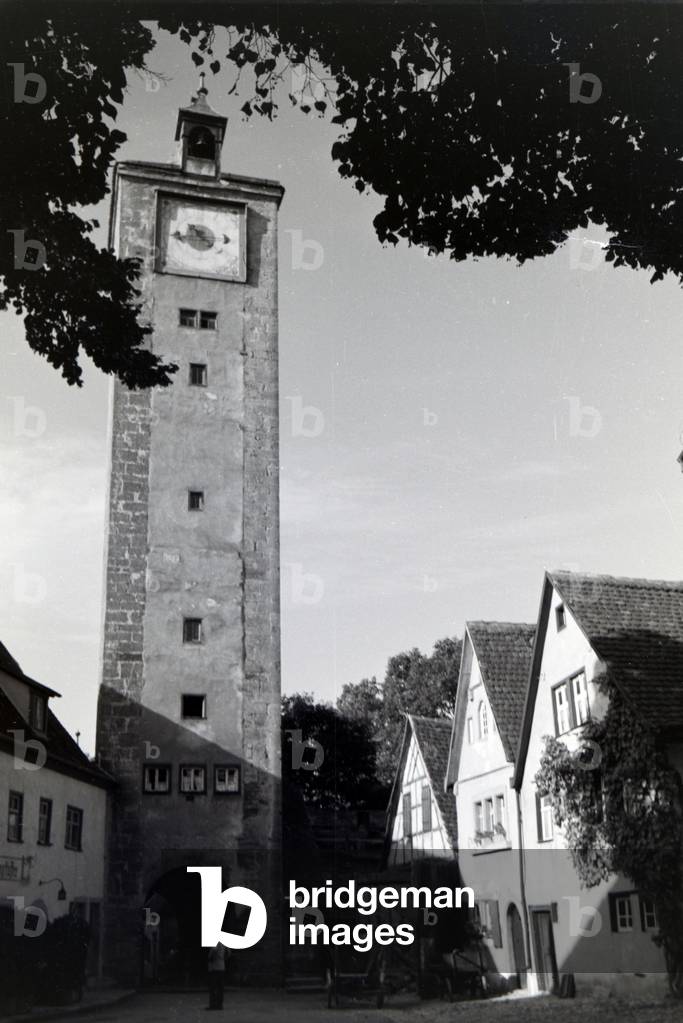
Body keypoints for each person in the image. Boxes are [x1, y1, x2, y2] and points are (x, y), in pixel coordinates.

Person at [206, 944, 226, 1010]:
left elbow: (212, 954)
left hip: (215, 968)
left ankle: (213, 1004)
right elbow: (228, 953)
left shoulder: (215, 944)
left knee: (213, 987)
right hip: (222, 967)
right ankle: (219, 1005)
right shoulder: (223, 944)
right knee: (220, 988)